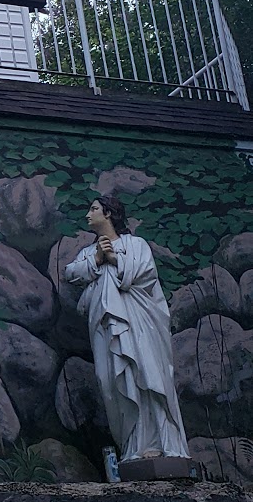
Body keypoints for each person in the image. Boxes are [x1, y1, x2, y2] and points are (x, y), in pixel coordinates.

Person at [64, 195, 190, 464]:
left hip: (139, 323)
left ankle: (160, 442)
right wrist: (97, 259)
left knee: (147, 376)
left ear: (108, 213)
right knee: (110, 382)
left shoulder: (136, 245)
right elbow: (70, 273)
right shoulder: (88, 252)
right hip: (104, 327)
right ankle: (133, 446)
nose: (88, 214)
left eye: (94, 209)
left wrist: (114, 259)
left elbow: (145, 274)